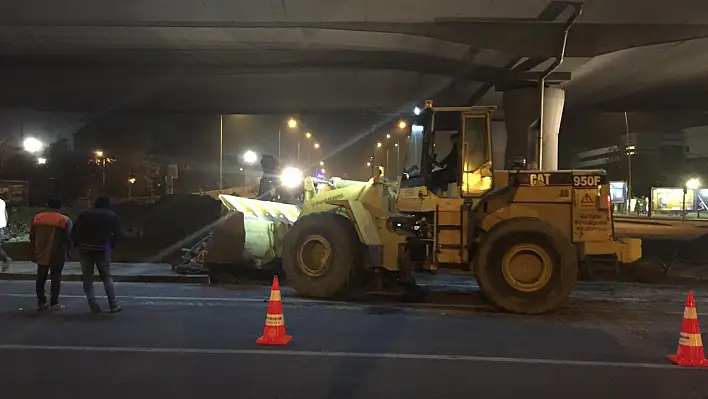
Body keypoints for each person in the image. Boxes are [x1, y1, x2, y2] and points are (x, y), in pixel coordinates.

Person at [71, 196, 123, 314]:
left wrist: (75, 245)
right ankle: (113, 304)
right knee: (106, 277)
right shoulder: (112, 216)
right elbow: (118, 235)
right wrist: (112, 246)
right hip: (102, 249)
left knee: (87, 277)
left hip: (84, 248)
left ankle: (92, 303)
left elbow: (75, 231)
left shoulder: (84, 215)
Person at [29, 198, 72, 311]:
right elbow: (68, 237)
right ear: (60, 207)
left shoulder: (38, 217)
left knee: (40, 277)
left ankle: (41, 302)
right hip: (57, 253)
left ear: (47, 206)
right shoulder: (64, 219)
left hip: (41, 251)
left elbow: (32, 235)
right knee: (56, 277)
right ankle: (54, 302)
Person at [0, 193, 12, 271]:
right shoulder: (1, 202)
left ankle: (5, 259)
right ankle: (5, 259)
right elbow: (6, 215)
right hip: (2, 227)